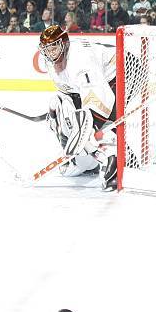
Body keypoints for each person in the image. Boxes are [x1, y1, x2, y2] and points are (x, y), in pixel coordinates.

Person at [39, 25, 118, 190]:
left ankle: (113, 160)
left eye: (54, 46)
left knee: (101, 126)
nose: (51, 52)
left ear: (65, 44)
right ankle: (84, 158)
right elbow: (70, 92)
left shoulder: (80, 60)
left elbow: (99, 94)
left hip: (122, 71)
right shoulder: (51, 63)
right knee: (58, 105)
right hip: (102, 79)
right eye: (47, 48)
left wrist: (88, 127)